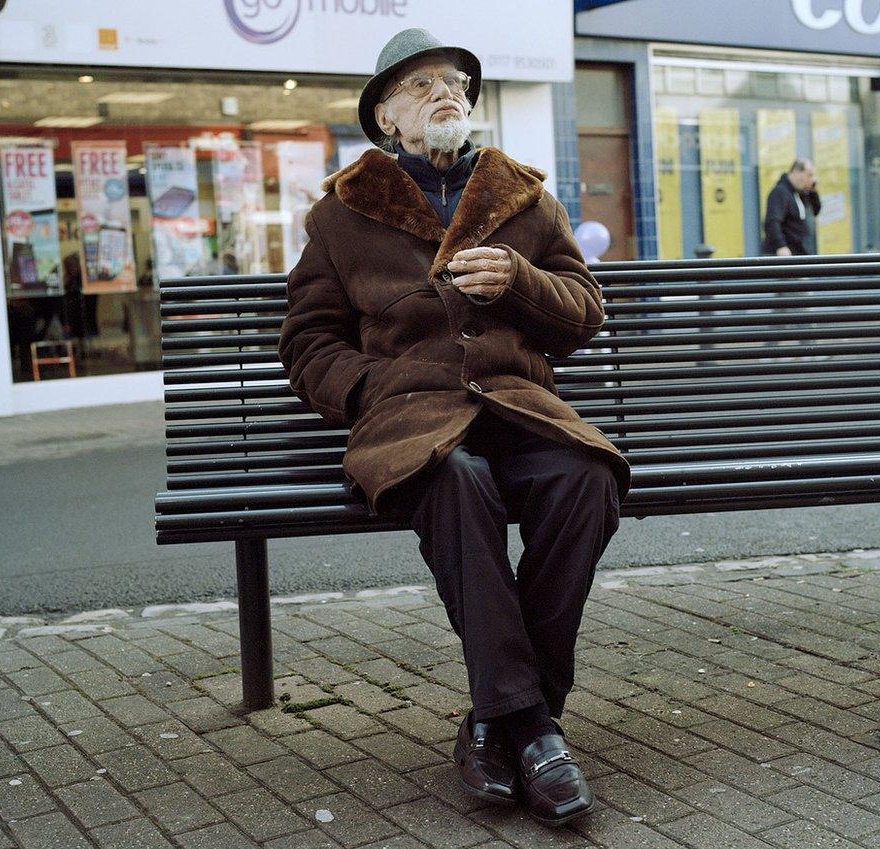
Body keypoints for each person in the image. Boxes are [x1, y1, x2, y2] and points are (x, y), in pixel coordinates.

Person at [278, 28, 630, 828]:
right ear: (387, 123)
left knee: (588, 476)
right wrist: (371, 389)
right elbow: (306, 342)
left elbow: (584, 313)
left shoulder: (526, 199)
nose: (442, 93)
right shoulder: (340, 216)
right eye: (416, 86)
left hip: (517, 403)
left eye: (452, 83)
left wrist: (521, 281)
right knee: (458, 481)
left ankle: (497, 720)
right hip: (413, 420)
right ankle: (536, 727)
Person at [762, 158, 821, 256]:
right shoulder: (780, 192)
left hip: (799, 252)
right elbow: (772, 221)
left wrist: (813, 190)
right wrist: (780, 246)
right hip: (785, 255)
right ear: (797, 172)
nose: (812, 179)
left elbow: (816, 210)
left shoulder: (801, 193)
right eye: (809, 175)